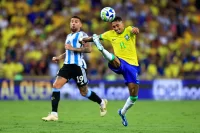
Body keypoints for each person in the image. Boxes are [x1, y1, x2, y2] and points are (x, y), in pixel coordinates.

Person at [42, 16, 108, 121]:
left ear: (80, 25)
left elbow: (88, 49)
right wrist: (60, 57)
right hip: (67, 65)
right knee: (56, 85)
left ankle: (101, 102)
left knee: (84, 92)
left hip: (78, 66)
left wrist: (72, 48)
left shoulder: (83, 35)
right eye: (72, 21)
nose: (73, 23)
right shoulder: (68, 36)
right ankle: (54, 114)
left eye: (76, 22)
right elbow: (68, 51)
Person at [80, 16, 139, 126]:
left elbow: (134, 29)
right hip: (119, 62)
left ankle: (122, 113)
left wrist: (135, 30)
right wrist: (85, 39)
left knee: (134, 96)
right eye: (113, 26)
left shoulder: (128, 29)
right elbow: (96, 37)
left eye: (117, 25)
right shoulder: (109, 34)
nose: (116, 28)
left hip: (133, 66)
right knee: (114, 59)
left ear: (123, 24)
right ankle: (101, 49)